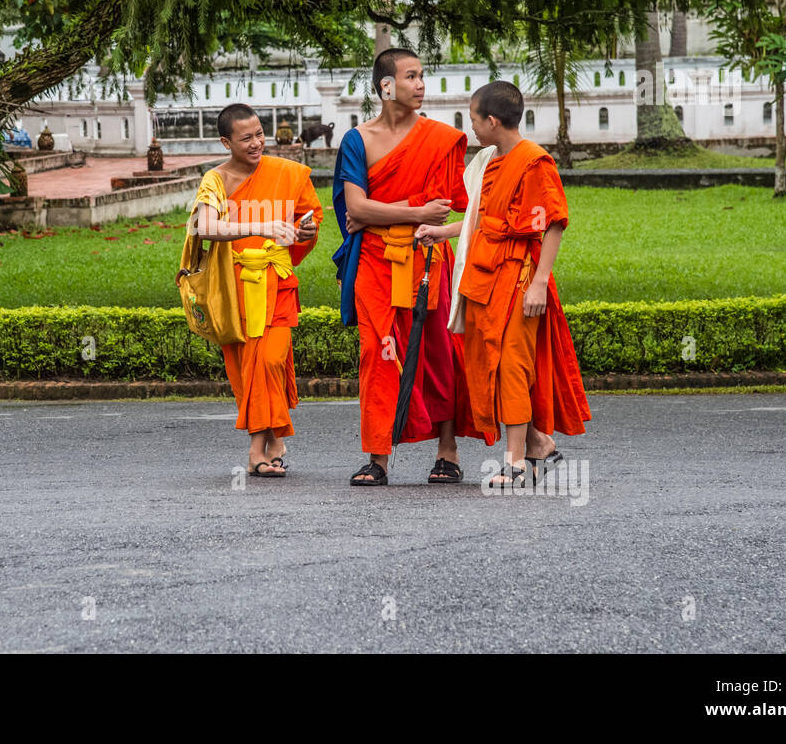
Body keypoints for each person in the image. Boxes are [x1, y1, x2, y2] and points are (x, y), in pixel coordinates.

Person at [416, 80, 591, 489]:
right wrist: (442, 233)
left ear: (492, 121)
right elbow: (483, 220)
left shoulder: (534, 162)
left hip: (517, 278)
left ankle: (513, 463)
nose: (472, 127)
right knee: (487, 365)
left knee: (511, 366)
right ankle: (539, 444)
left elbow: (553, 223)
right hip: (483, 276)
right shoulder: (492, 160)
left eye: (474, 119)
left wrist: (539, 283)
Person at [332, 48, 479, 487]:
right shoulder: (359, 140)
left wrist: (383, 211)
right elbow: (355, 210)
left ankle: (447, 453)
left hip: (428, 258)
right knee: (376, 355)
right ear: (386, 86)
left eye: (422, 76)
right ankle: (378, 457)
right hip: (376, 262)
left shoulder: (441, 138)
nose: (420, 85)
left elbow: (448, 209)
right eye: (411, 77)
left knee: (439, 353)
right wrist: (414, 211)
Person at [191, 103, 322, 477]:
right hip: (233, 290)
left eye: (259, 134)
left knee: (270, 361)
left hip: (277, 283)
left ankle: (256, 447)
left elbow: (306, 219)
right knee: (246, 371)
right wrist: (263, 227)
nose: (256, 143)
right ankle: (272, 439)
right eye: (246, 138)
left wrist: (305, 231)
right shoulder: (214, 180)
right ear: (225, 142)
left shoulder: (288, 173)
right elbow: (206, 228)